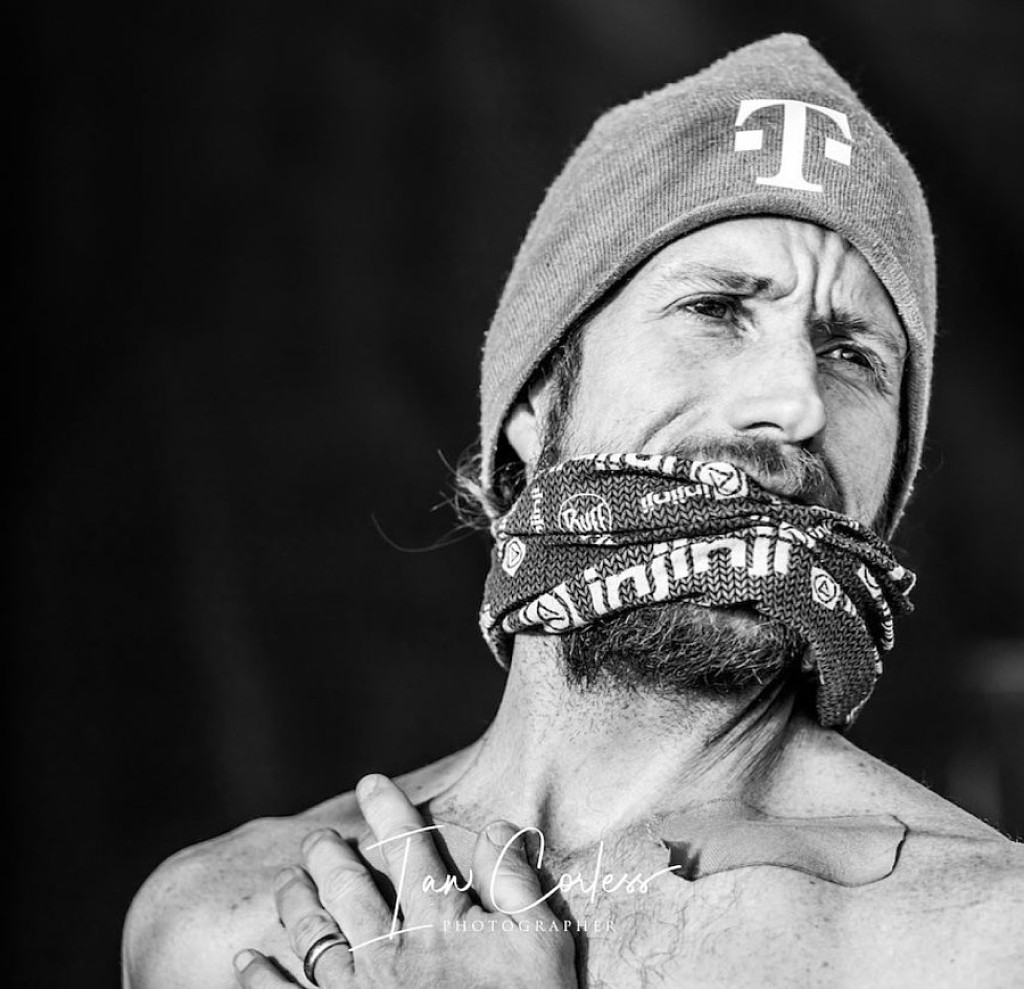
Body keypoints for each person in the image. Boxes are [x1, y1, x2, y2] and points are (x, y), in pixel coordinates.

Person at [122, 34, 1024, 988]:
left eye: (853, 356)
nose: (797, 402)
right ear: (534, 398)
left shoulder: (980, 940)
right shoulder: (215, 923)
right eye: (718, 309)